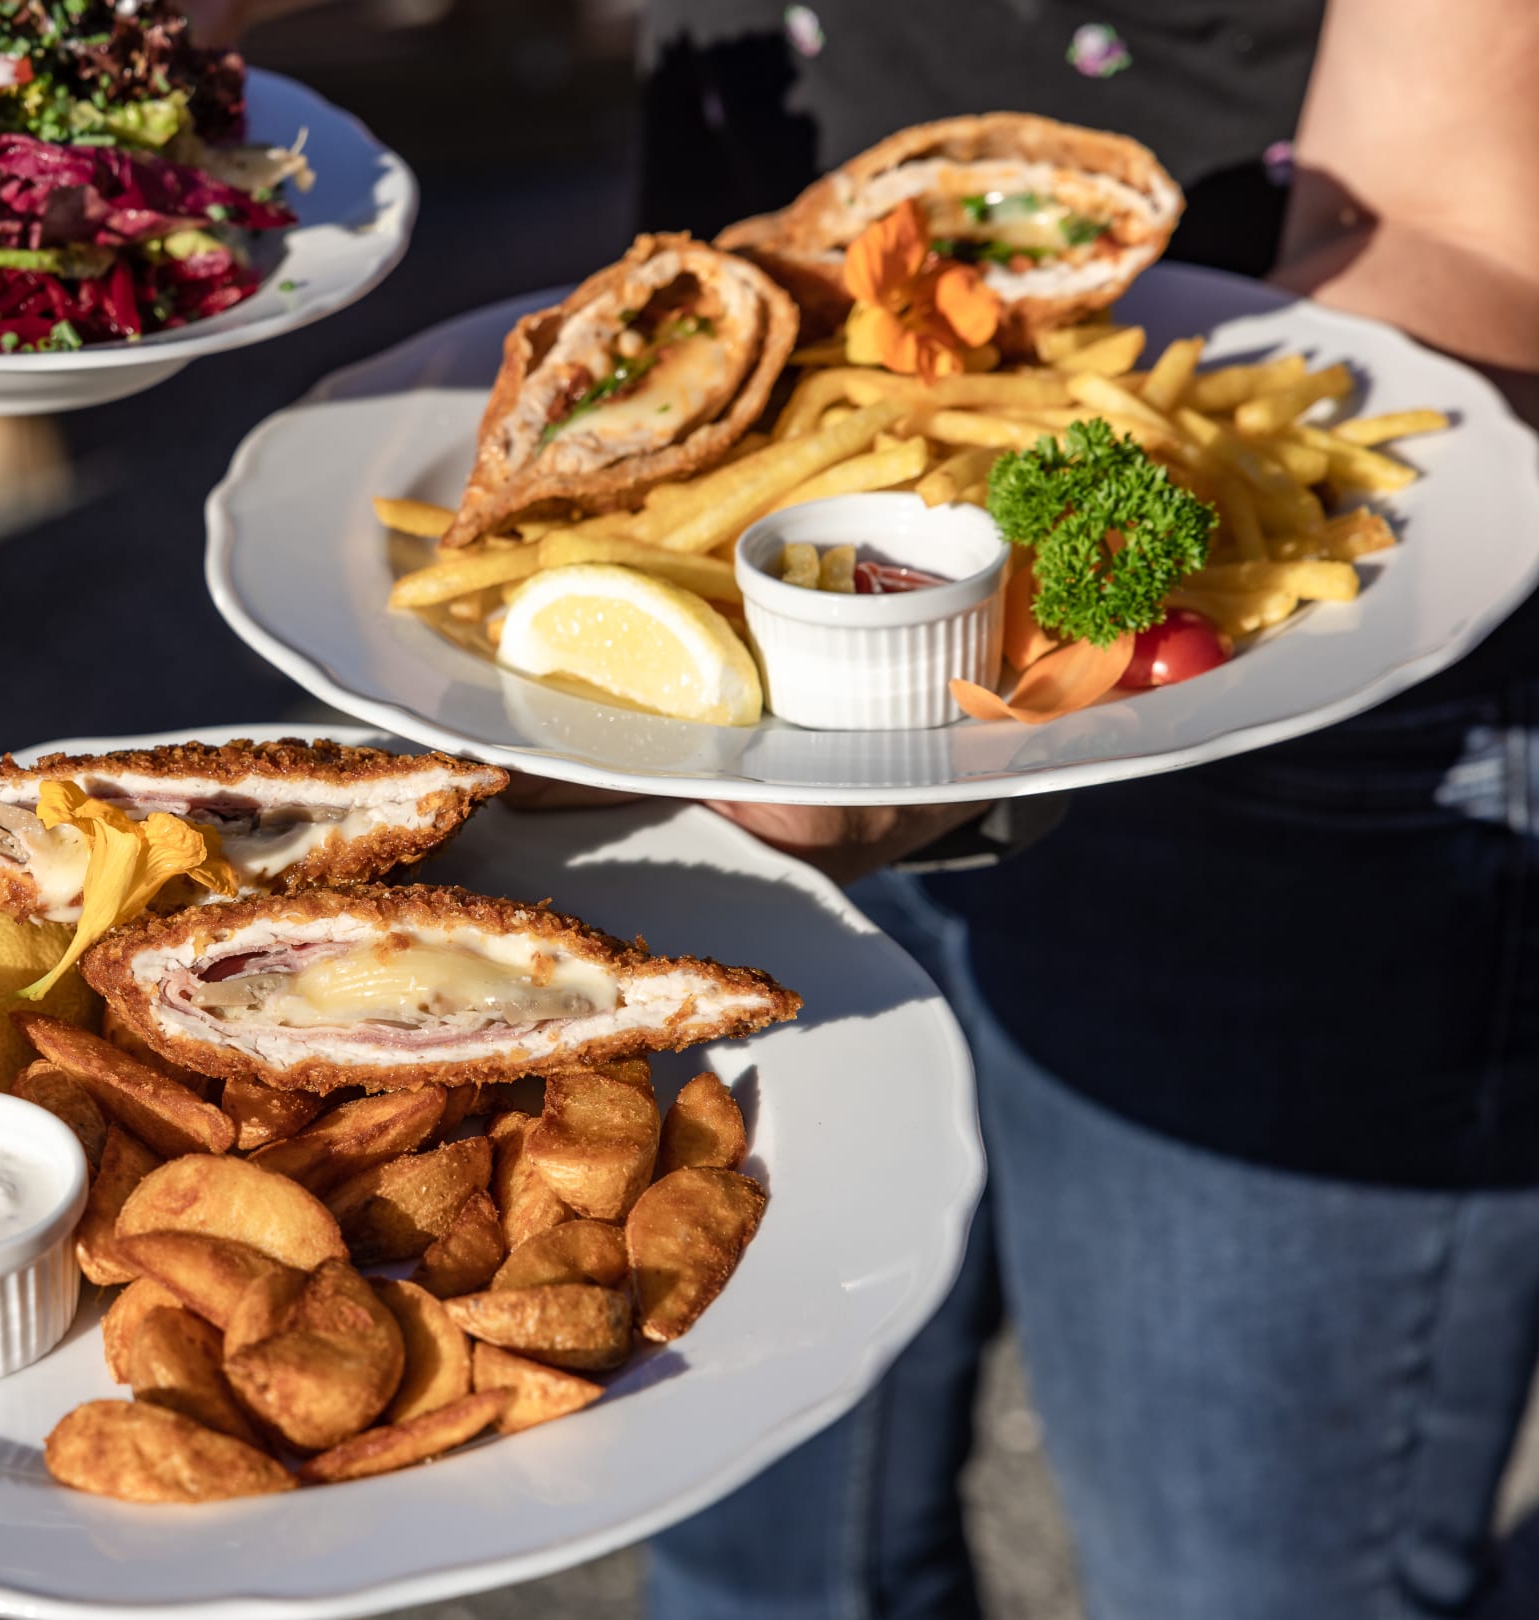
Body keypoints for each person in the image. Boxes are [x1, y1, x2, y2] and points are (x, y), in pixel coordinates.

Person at [629, 3, 1539, 1618]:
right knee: (755, 1553)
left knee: (1243, 1575)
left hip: (1301, 709)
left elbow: (1458, 220)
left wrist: (1105, 578)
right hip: (728, 615)